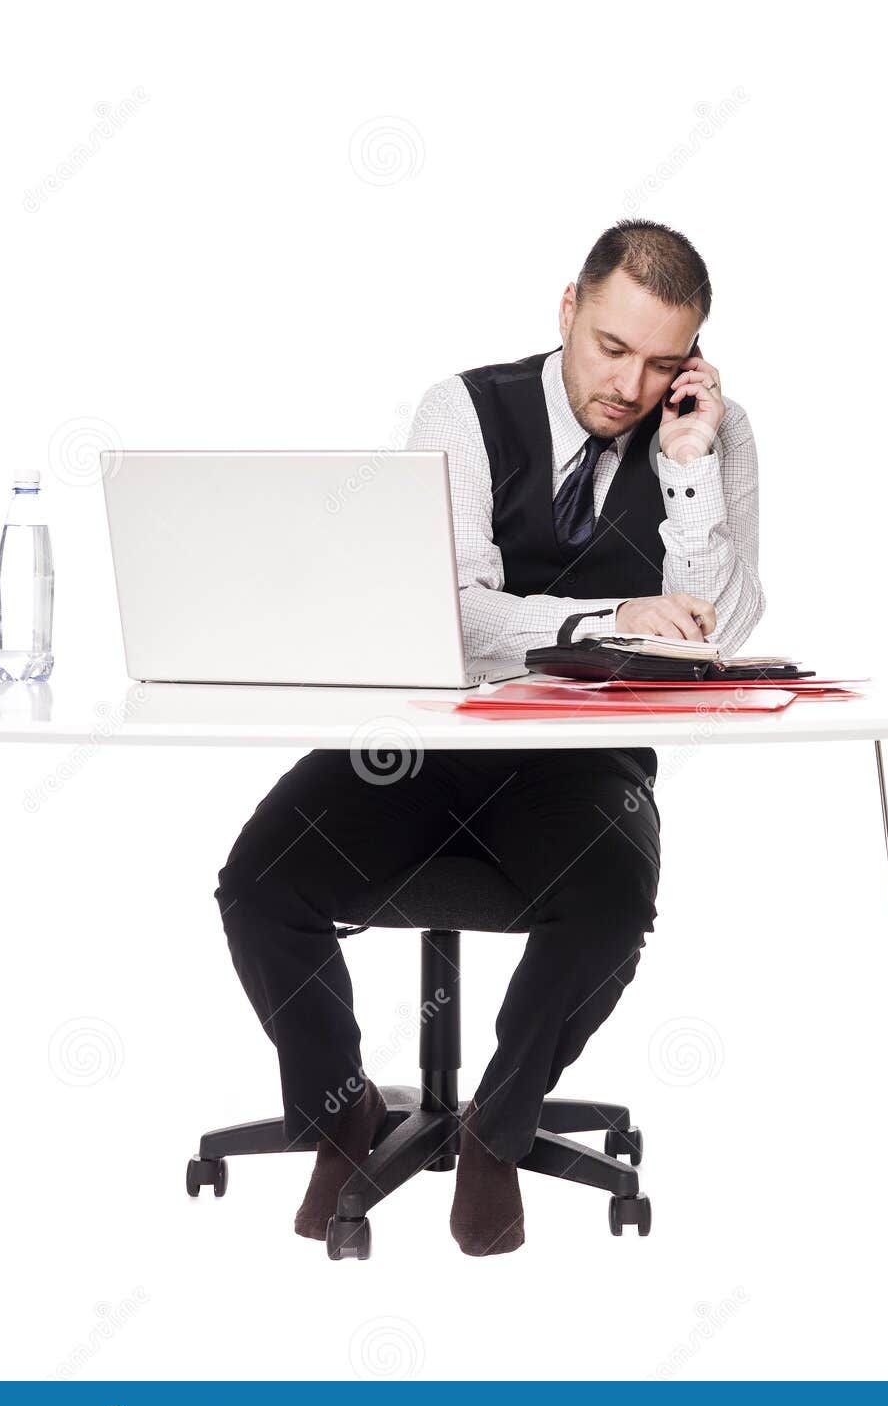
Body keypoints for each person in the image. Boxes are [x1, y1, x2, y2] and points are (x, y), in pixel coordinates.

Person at [215, 219, 764, 1255]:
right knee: (261, 881)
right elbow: (453, 614)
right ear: (568, 309)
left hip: (585, 759)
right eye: (611, 348)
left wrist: (687, 468)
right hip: (425, 742)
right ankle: (342, 1112)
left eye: (660, 363)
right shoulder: (462, 411)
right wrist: (604, 624)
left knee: (611, 902)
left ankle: (497, 1130)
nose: (630, 386)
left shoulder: (712, 431)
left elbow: (723, 634)